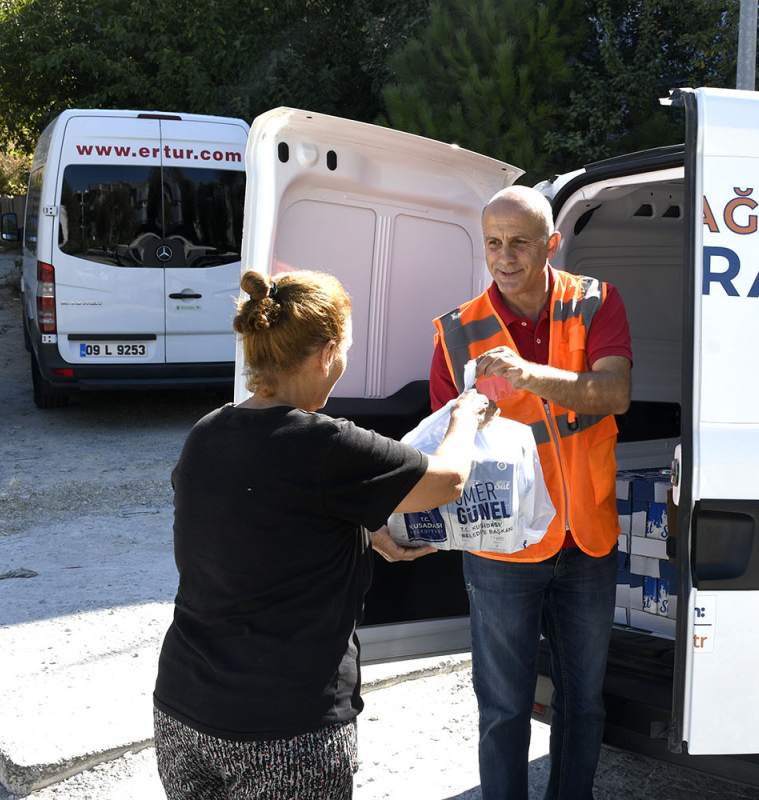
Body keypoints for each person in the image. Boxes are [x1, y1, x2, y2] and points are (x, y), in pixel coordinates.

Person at [153, 269, 491, 800]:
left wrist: (364, 527)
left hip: (183, 711)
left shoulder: (208, 431)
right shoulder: (326, 444)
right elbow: (448, 481)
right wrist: (467, 413)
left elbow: (260, 521)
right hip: (287, 727)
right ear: (327, 353)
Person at [430, 185, 633, 799]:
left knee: (583, 705)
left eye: (520, 242)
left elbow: (613, 394)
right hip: (503, 550)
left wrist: (527, 376)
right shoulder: (455, 333)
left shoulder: (597, 302)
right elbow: (448, 446)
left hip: (587, 538)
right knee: (504, 712)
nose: (506, 256)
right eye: (493, 243)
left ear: (552, 243)